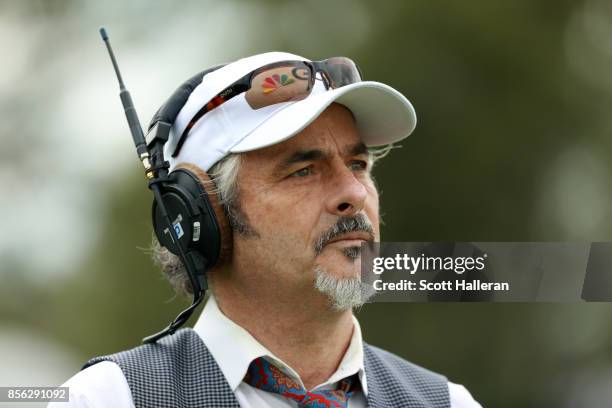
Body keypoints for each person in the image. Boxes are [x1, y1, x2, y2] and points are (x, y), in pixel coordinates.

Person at [50, 52, 481, 407]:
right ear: (204, 215)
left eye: (357, 164)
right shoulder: (106, 399)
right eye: (304, 171)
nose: (353, 192)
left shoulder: (449, 402)